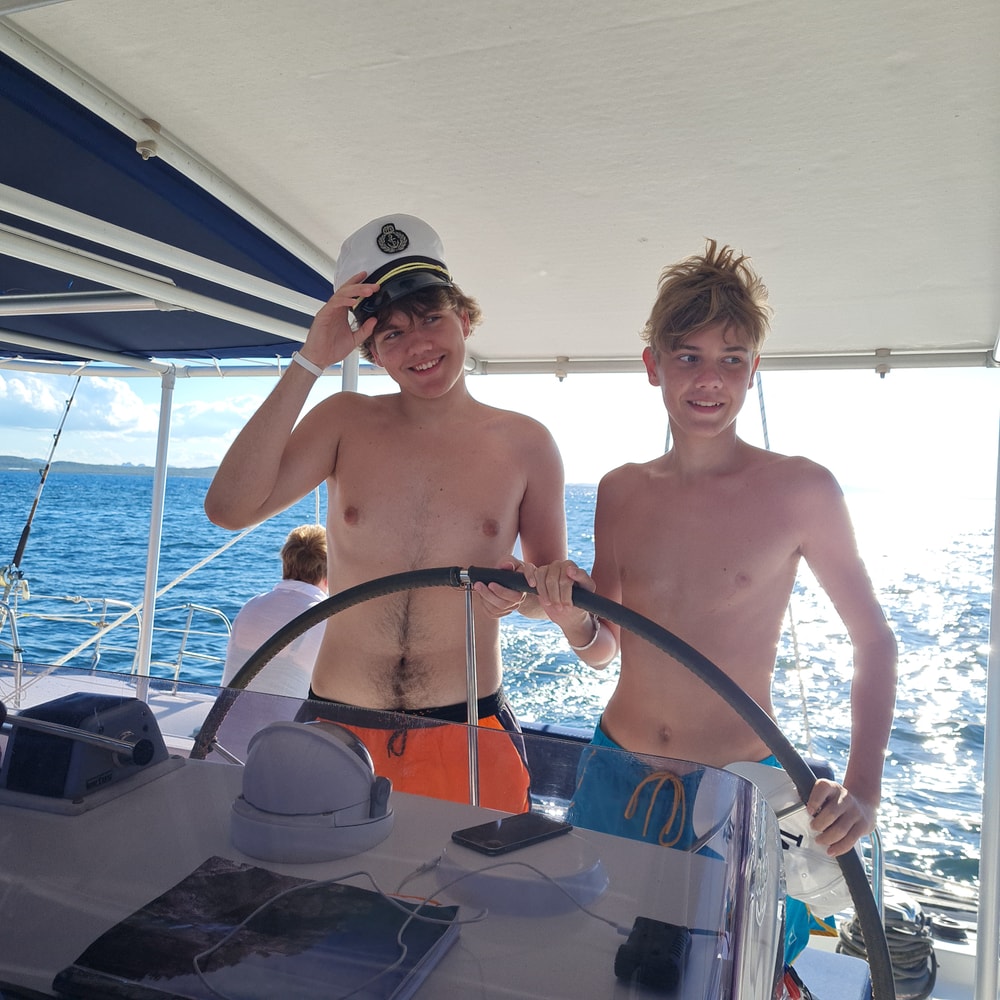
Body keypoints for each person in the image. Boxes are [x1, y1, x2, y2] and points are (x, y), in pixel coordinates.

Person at [526, 239, 897, 964]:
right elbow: (606, 647)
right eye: (688, 356)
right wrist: (572, 621)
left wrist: (863, 789)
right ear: (653, 366)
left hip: (733, 790)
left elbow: (874, 641)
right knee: (595, 960)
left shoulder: (802, 489)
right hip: (615, 769)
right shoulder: (620, 490)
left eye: (731, 359)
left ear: (754, 370)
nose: (709, 379)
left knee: (723, 972)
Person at [205, 214, 566, 812]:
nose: (418, 345)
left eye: (431, 318)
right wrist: (310, 359)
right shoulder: (343, 421)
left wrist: (520, 594)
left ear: (465, 318)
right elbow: (228, 508)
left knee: (474, 878)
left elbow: (545, 596)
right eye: (392, 333)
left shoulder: (527, 444)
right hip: (337, 728)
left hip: (468, 731)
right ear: (370, 350)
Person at [221, 524, 328, 698]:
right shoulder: (324, 620)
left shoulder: (251, 606)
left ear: (285, 563)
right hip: (280, 717)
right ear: (328, 574)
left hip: (225, 714)